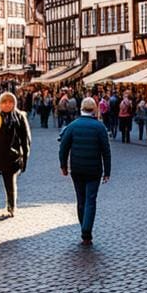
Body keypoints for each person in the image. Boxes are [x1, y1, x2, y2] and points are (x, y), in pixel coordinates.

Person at [59, 97, 112, 246]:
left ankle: (84, 229)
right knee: (90, 200)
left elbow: (63, 147)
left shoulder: (73, 126)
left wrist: (63, 165)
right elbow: (106, 151)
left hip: (77, 169)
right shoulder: (99, 127)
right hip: (94, 170)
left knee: (81, 200)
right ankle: (86, 231)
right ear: (94, 109)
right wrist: (107, 171)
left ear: (81, 108)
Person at [0, 91, 32, 217]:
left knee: (9, 180)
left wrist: (24, 158)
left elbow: (25, 139)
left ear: (14, 103)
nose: (7, 105)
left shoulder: (19, 117)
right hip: (0, 155)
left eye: (10, 102)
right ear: (0, 104)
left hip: (13, 156)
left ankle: (11, 206)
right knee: (7, 180)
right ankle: (10, 205)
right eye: (4, 102)